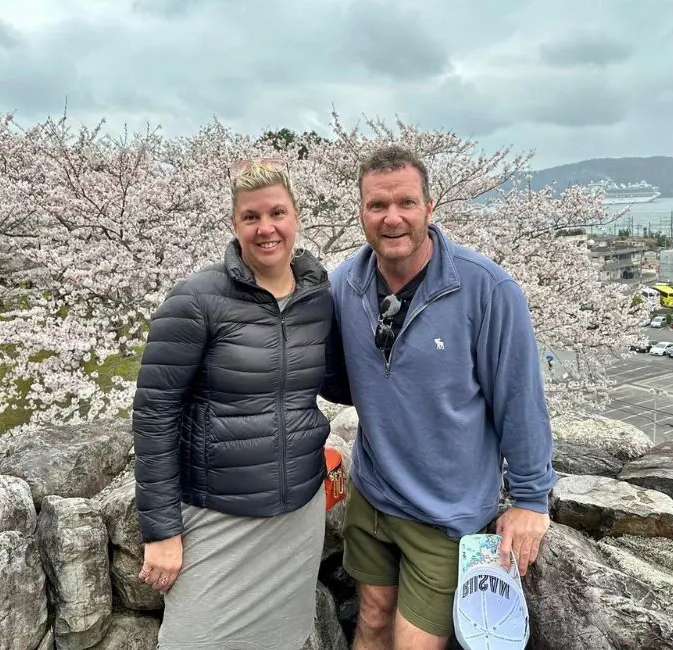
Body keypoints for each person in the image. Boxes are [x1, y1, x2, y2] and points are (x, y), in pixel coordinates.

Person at [322, 145, 558, 650]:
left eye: (405, 203)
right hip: (372, 490)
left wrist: (530, 499)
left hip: (445, 511)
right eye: (376, 206)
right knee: (372, 616)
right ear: (360, 212)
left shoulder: (487, 289)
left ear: (430, 207)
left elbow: (519, 398)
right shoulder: (344, 284)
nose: (392, 218)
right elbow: (335, 378)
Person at [132, 158, 335, 650]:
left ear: (297, 216)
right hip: (216, 514)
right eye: (251, 217)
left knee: (284, 639)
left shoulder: (319, 297)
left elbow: (340, 383)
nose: (266, 228)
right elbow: (154, 415)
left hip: (298, 511)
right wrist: (160, 530)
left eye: (277, 213)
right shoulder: (197, 299)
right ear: (235, 225)